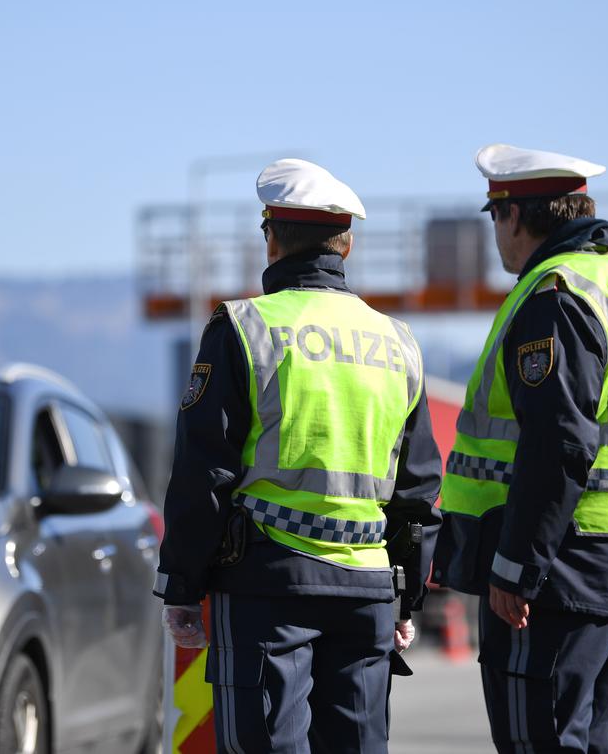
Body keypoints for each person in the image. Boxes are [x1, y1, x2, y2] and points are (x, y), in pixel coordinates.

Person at [153, 158, 442, 754]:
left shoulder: (243, 327)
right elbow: (417, 492)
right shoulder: (398, 342)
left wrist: (182, 586)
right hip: (367, 591)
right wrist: (407, 594)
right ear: (347, 246)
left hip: (267, 586)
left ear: (272, 238)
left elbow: (205, 471)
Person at [432, 144, 608, 753]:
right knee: (600, 742)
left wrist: (515, 566)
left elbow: (557, 442)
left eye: (494, 217)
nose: (495, 236)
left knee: (538, 738)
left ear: (516, 214)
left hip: (553, 572)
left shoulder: (555, 295)